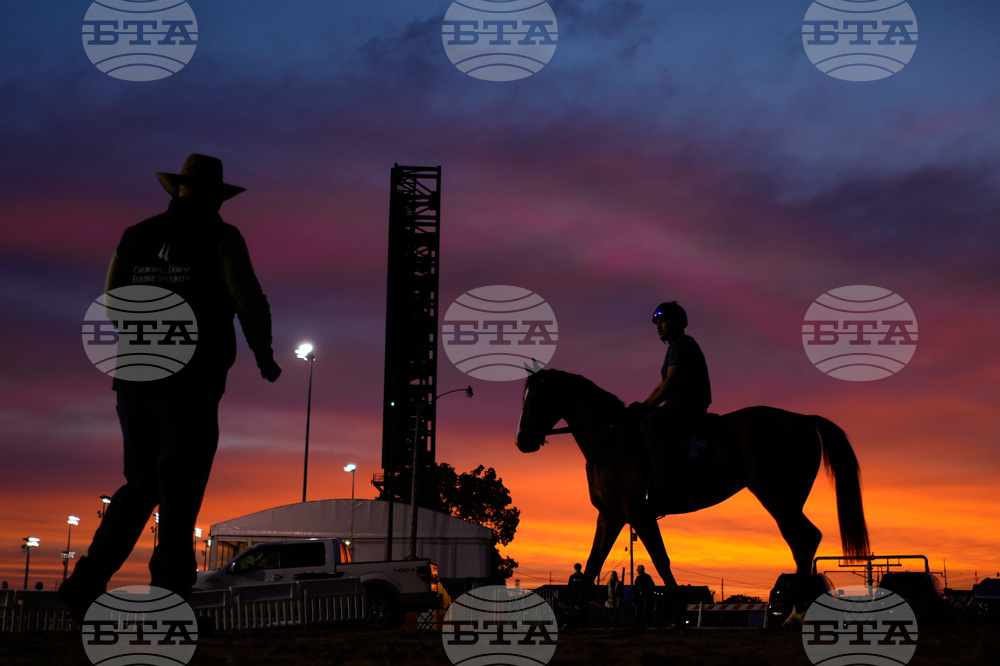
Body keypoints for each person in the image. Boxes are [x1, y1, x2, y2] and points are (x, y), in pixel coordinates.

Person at [59, 154, 281, 624]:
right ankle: (170, 597)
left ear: (175, 191)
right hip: (192, 382)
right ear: (216, 197)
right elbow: (248, 301)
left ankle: (85, 583)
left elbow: (114, 304)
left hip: (136, 379)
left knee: (139, 484)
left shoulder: (135, 235)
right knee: (180, 491)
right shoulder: (222, 236)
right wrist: (264, 356)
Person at [631, 301, 711, 504]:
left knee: (649, 426)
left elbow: (671, 383)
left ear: (678, 322)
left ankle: (665, 484)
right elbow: (661, 386)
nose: (659, 326)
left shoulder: (682, 344)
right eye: (657, 322)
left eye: (663, 320)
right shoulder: (675, 347)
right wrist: (644, 405)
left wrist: (647, 407)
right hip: (679, 402)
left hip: (687, 402)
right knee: (644, 419)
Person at [632, 564, 655, 629]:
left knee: (643, 612)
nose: (637, 571)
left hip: (644, 598)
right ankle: (644, 625)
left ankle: (644, 625)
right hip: (641, 598)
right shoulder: (643, 577)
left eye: (638, 569)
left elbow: (651, 586)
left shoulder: (644, 578)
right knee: (642, 612)